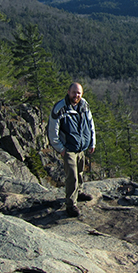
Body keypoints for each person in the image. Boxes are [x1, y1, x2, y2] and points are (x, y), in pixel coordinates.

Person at [48, 82, 96, 217]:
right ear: (68, 92)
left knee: (80, 171)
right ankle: (70, 204)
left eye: (79, 93)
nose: (76, 95)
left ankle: (79, 193)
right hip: (68, 148)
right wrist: (60, 148)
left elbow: (90, 123)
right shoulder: (60, 108)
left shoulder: (84, 105)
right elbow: (53, 131)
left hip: (81, 147)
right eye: (74, 92)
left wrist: (92, 142)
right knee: (72, 176)